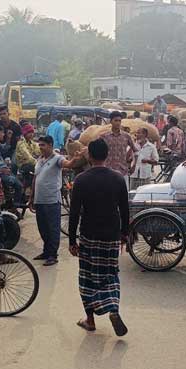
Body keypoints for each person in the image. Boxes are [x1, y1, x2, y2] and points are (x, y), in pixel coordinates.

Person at [68, 138, 129, 336]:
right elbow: (125, 210)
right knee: (110, 275)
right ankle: (113, 309)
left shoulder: (81, 180)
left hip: (89, 235)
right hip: (111, 234)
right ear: (107, 155)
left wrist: (71, 240)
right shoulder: (118, 178)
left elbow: (74, 213)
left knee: (87, 277)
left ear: (90, 156)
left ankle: (90, 319)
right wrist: (124, 234)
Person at [28, 135, 83, 266]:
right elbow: (35, 178)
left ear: (51, 145)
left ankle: (53, 255)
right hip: (39, 200)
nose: (40, 148)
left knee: (53, 228)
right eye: (39, 145)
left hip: (52, 200)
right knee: (43, 228)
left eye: (43, 145)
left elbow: (68, 165)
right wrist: (31, 197)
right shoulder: (40, 160)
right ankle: (46, 252)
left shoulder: (58, 158)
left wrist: (74, 159)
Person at [102, 111, 138, 188]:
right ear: (111, 121)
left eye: (119, 121)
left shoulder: (126, 136)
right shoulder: (104, 137)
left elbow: (136, 151)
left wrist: (134, 166)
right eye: (116, 120)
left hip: (123, 171)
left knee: (123, 195)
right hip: (108, 171)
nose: (118, 123)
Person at [0, 125, 24, 207]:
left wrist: (9, 138)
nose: (3, 135)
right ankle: (15, 206)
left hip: (4, 169)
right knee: (18, 185)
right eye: (2, 133)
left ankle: (10, 203)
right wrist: (2, 170)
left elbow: (5, 148)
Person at [15, 123, 40, 190]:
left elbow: (39, 150)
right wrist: (37, 162)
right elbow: (27, 156)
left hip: (30, 163)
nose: (31, 134)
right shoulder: (21, 143)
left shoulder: (32, 143)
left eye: (32, 132)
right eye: (29, 132)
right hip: (23, 165)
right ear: (25, 133)